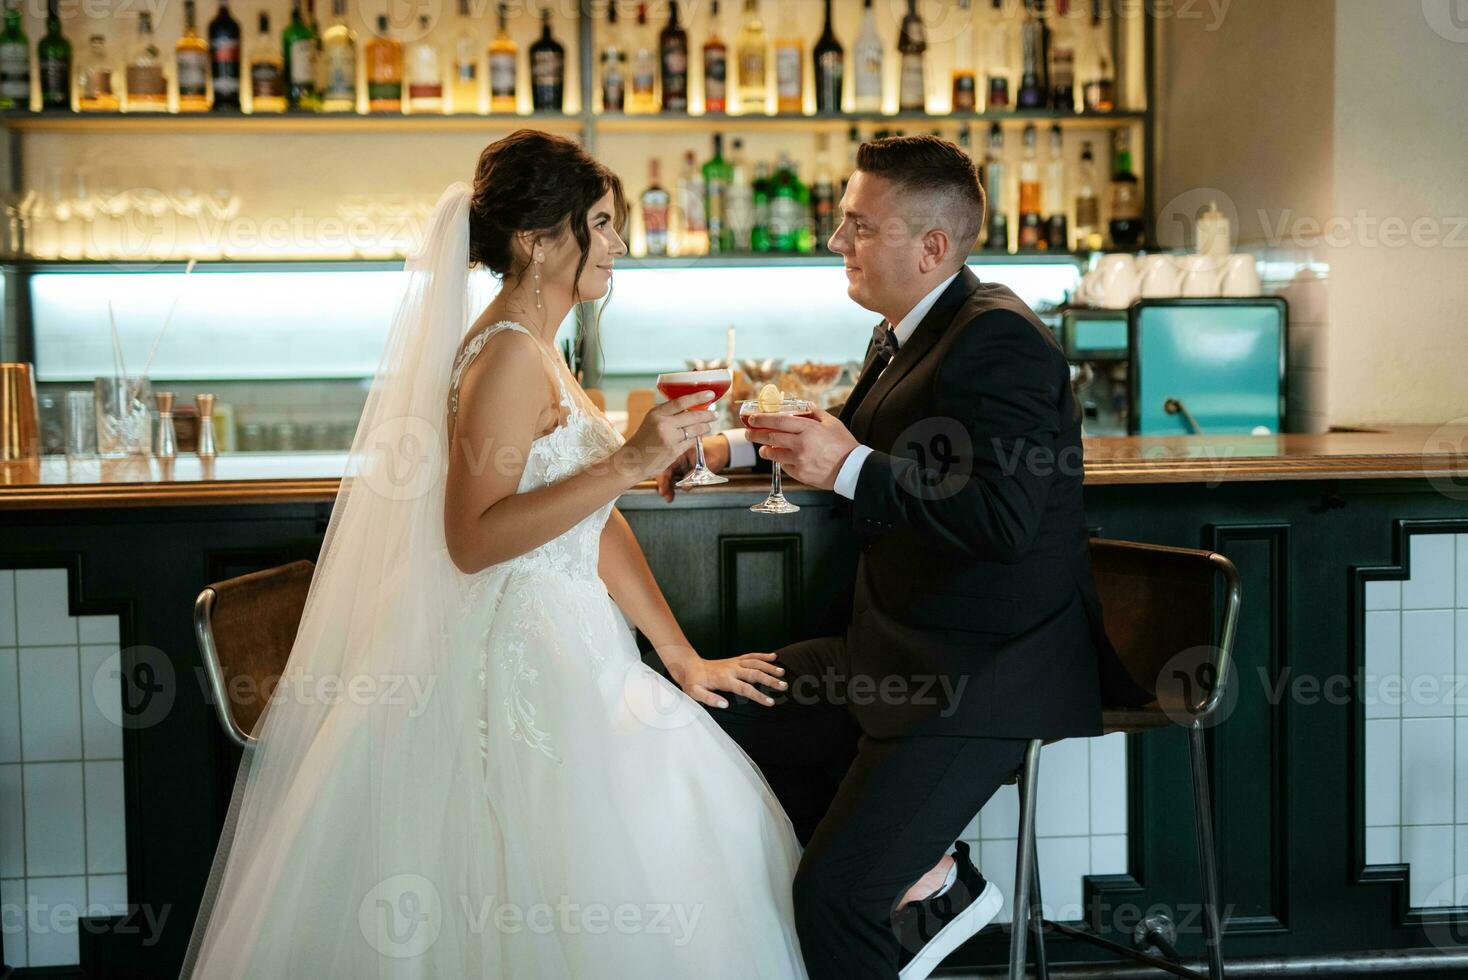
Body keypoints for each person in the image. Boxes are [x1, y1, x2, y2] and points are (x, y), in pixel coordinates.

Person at [179, 130, 807, 978]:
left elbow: (590, 523)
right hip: (520, 662)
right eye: (603, 224)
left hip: (578, 643)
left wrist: (680, 655)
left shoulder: (541, 345)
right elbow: (472, 539)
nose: (620, 244)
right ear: (538, 240)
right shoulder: (509, 354)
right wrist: (627, 459)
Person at [660, 135, 1149, 980]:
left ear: (930, 248)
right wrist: (728, 452)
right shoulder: (907, 331)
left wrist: (848, 468)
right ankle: (935, 877)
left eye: (858, 225)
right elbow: (853, 440)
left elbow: (1001, 516)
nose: (837, 242)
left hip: (981, 674)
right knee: (710, 719)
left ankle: (911, 880)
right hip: (893, 652)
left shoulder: (1002, 341)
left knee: (834, 899)